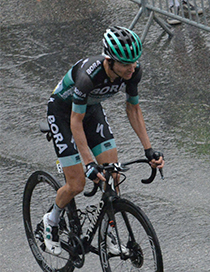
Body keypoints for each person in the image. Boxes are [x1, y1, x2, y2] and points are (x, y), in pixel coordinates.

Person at [42, 26, 165, 255]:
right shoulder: (88, 76)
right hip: (62, 113)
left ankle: (108, 230)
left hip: (90, 109)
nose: (132, 68)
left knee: (113, 173)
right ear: (110, 61)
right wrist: (89, 163)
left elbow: (133, 109)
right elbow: (75, 123)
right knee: (77, 183)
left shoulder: (133, 71)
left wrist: (149, 150)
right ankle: (51, 220)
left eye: (134, 62)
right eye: (126, 64)